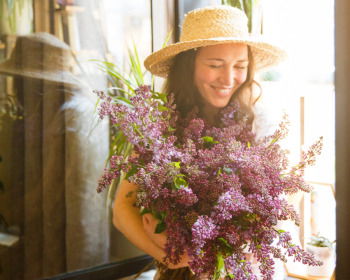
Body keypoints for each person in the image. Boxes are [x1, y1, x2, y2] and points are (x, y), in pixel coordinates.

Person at [113, 5, 285, 280]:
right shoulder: (160, 124)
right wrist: (167, 256)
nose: (228, 79)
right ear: (188, 65)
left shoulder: (259, 121)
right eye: (215, 65)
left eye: (240, 66)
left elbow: (283, 202)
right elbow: (123, 209)